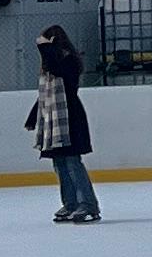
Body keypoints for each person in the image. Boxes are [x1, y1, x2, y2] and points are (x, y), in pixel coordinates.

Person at [26, 23, 99, 224]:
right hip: (54, 121)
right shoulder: (52, 66)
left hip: (70, 118)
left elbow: (60, 74)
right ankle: (71, 203)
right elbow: (44, 96)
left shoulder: (69, 62)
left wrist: (45, 48)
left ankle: (88, 205)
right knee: (59, 163)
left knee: (72, 162)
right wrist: (33, 118)